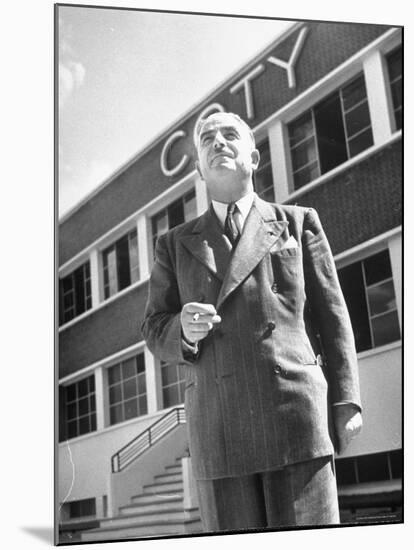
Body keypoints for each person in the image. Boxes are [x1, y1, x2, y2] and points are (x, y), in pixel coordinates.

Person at [142, 111, 362, 531]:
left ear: (255, 157)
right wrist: (181, 331)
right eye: (207, 139)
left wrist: (346, 399)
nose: (218, 142)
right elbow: (153, 328)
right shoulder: (172, 244)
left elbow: (333, 316)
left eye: (230, 135)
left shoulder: (298, 222)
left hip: (296, 418)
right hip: (219, 429)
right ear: (199, 169)